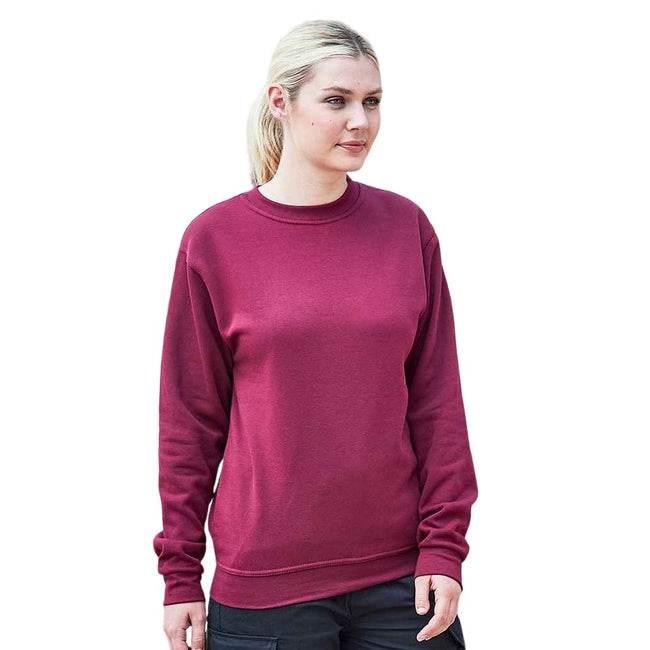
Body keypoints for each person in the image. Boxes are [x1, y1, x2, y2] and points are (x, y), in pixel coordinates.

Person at [153, 18, 479, 650]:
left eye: (372, 101)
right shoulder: (214, 240)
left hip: (402, 581)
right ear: (281, 101)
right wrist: (180, 575)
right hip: (266, 588)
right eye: (336, 101)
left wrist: (445, 547)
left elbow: (438, 402)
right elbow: (190, 421)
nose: (360, 121)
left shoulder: (406, 228)